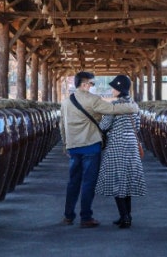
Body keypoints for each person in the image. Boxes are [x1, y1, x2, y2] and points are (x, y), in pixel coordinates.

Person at [60, 71, 140, 228]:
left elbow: (62, 125)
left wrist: (65, 144)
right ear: (84, 84)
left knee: (73, 182)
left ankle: (68, 216)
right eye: (91, 83)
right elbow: (113, 109)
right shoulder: (93, 100)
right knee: (88, 183)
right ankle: (86, 217)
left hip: (74, 146)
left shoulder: (66, 102)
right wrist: (133, 107)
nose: (92, 86)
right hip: (91, 145)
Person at [95, 74, 147, 229]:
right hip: (131, 145)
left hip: (117, 145)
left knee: (117, 181)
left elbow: (104, 126)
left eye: (113, 87)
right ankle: (126, 215)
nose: (111, 90)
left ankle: (125, 217)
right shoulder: (134, 104)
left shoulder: (115, 106)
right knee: (127, 181)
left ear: (119, 89)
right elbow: (137, 126)